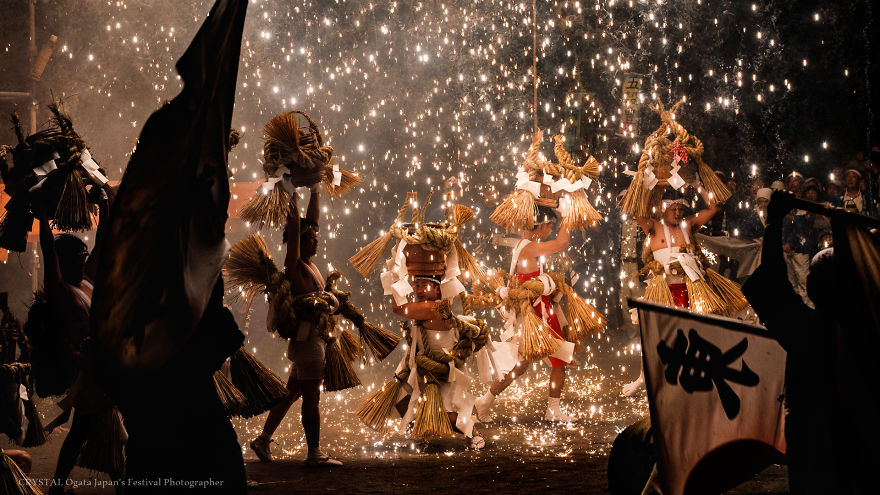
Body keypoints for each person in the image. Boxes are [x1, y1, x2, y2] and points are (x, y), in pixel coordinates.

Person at [742, 191, 839, 493]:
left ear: (812, 284)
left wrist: (774, 223)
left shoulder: (809, 332)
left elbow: (773, 278)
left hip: (813, 438)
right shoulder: (864, 329)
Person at [35, 185, 126, 494]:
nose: (83, 262)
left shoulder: (85, 281)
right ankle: (119, 484)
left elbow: (103, 244)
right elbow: (49, 254)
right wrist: (43, 219)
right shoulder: (62, 292)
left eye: (84, 258)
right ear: (63, 263)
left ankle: (59, 488)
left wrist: (104, 207)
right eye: (76, 259)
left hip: (99, 371)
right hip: (88, 376)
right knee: (96, 430)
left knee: (85, 431)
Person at [250, 184, 342, 466]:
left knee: (293, 391)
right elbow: (295, 228)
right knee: (311, 396)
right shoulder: (296, 266)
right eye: (311, 238)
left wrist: (315, 190)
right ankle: (314, 453)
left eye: (316, 236)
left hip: (312, 342)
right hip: (308, 344)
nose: (317, 239)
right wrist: (291, 194)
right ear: (299, 242)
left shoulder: (311, 265)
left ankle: (263, 440)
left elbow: (311, 222)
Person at [474, 205, 574, 422]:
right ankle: (552, 410)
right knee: (554, 360)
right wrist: (569, 213)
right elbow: (562, 243)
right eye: (550, 226)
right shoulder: (528, 247)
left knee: (523, 366)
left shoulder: (525, 244)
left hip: (536, 311)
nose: (550, 231)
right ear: (542, 225)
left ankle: (485, 401)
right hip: (535, 313)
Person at [621, 188, 721, 396]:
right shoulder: (654, 227)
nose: (677, 213)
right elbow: (633, 208)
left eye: (680, 209)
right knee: (653, 334)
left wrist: (699, 185)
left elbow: (714, 207)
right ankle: (643, 377)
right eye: (673, 209)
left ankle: (691, 374)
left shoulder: (689, 225)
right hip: (663, 289)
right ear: (664, 209)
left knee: (692, 333)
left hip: (690, 288)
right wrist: (648, 182)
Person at [392, 276, 485, 449]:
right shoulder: (425, 309)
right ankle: (419, 431)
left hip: (442, 372)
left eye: (424, 285)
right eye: (416, 285)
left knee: (447, 415)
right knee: (402, 402)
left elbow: (397, 308)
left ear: (437, 289)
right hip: (422, 368)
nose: (419, 290)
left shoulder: (433, 308)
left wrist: (396, 276)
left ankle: (473, 433)